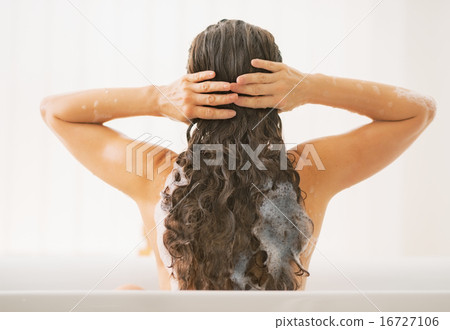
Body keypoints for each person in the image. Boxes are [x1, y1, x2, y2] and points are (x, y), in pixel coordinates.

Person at [40, 19, 436, 290]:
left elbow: (54, 111)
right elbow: (419, 110)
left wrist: (158, 98)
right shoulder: (309, 172)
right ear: (280, 89)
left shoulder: (157, 175)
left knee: (128, 292)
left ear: (191, 86)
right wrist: (312, 87)